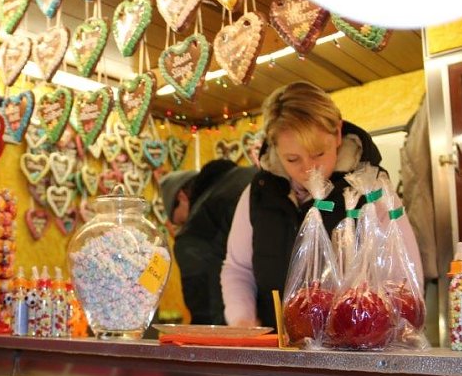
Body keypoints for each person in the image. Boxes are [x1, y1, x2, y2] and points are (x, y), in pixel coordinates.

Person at [221, 81, 423, 329]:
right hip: (274, 349)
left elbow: (405, 280)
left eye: (318, 154)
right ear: (274, 148)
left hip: (354, 352)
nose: (308, 169)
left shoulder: (373, 190)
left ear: (337, 134)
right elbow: (238, 269)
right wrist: (243, 320)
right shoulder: (259, 193)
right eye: (292, 158)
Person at [161, 160, 257, 324]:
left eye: (179, 220)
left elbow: (203, 304)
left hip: (234, 321)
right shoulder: (245, 179)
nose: (182, 226)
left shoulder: (194, 231)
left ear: (182, 196)